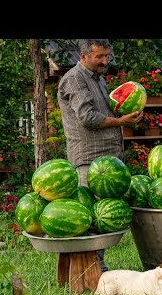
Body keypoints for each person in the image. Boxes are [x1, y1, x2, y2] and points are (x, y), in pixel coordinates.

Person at [57, 39, 142, 272]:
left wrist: (128, 113)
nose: (105, 61)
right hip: (88, 159)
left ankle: (96, 266)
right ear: (83, 56)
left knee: (100, 216)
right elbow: (88, 117)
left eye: (107, 56)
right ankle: (93, 270)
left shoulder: (99, 79)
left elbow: (104, 113)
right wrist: (120, 122)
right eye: (99, 57)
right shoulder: (75, 79)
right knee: (89, 218)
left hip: (106, 160)